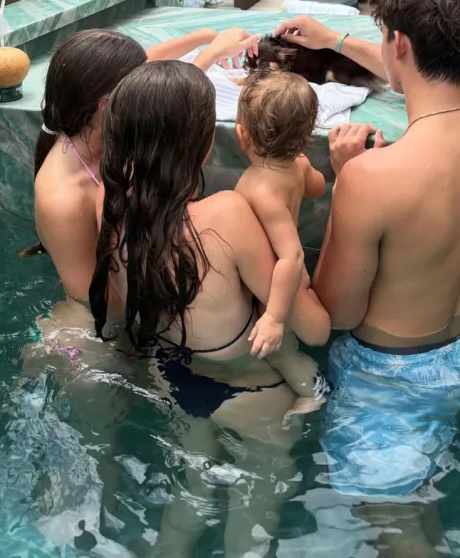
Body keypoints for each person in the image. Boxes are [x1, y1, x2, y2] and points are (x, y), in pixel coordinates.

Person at [275, 0, 460, 555]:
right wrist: (337, 41)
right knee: (422, 513)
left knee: (395, 530)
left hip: (390, 382)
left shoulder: (375, 179)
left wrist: (346, 180)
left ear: (398, 44)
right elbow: (428, 80)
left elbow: (335, 313)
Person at [89, 60, 331, 558]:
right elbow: (318, 329)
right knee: (253, 510)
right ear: (203, 145)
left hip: (174, 379)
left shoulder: (112, 214)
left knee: (190, 498)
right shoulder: (226, 215)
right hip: (248, 391)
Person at [33, 25, 261, 301]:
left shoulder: (91, 121)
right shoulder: (64, 199)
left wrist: (206, 39)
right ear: (108, 105)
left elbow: (149, 65)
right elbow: (99, 303)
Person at [234, 71, 328, 421]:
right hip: (293, 278)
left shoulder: (260, 189)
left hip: (277, 282)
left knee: (279, 352)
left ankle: (313, 391)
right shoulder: (299, 164)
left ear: (241, 135)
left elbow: (291, 255)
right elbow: (318, 188)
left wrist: (274, 317)